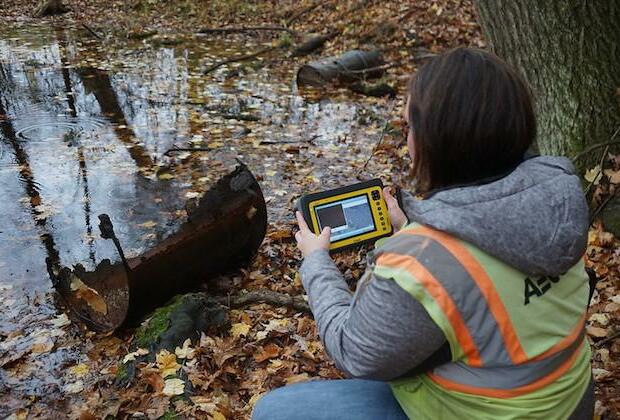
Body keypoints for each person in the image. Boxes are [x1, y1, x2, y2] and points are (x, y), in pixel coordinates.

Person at [252, 47, 594, 420]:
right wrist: (413, 227)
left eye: (409, 127)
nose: (407, 140)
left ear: (436, 139)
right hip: (569, 401)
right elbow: (486, 263)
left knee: (275, 411)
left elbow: (354, 352)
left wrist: (316, 261)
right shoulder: (556, 199)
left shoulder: (422, 264)